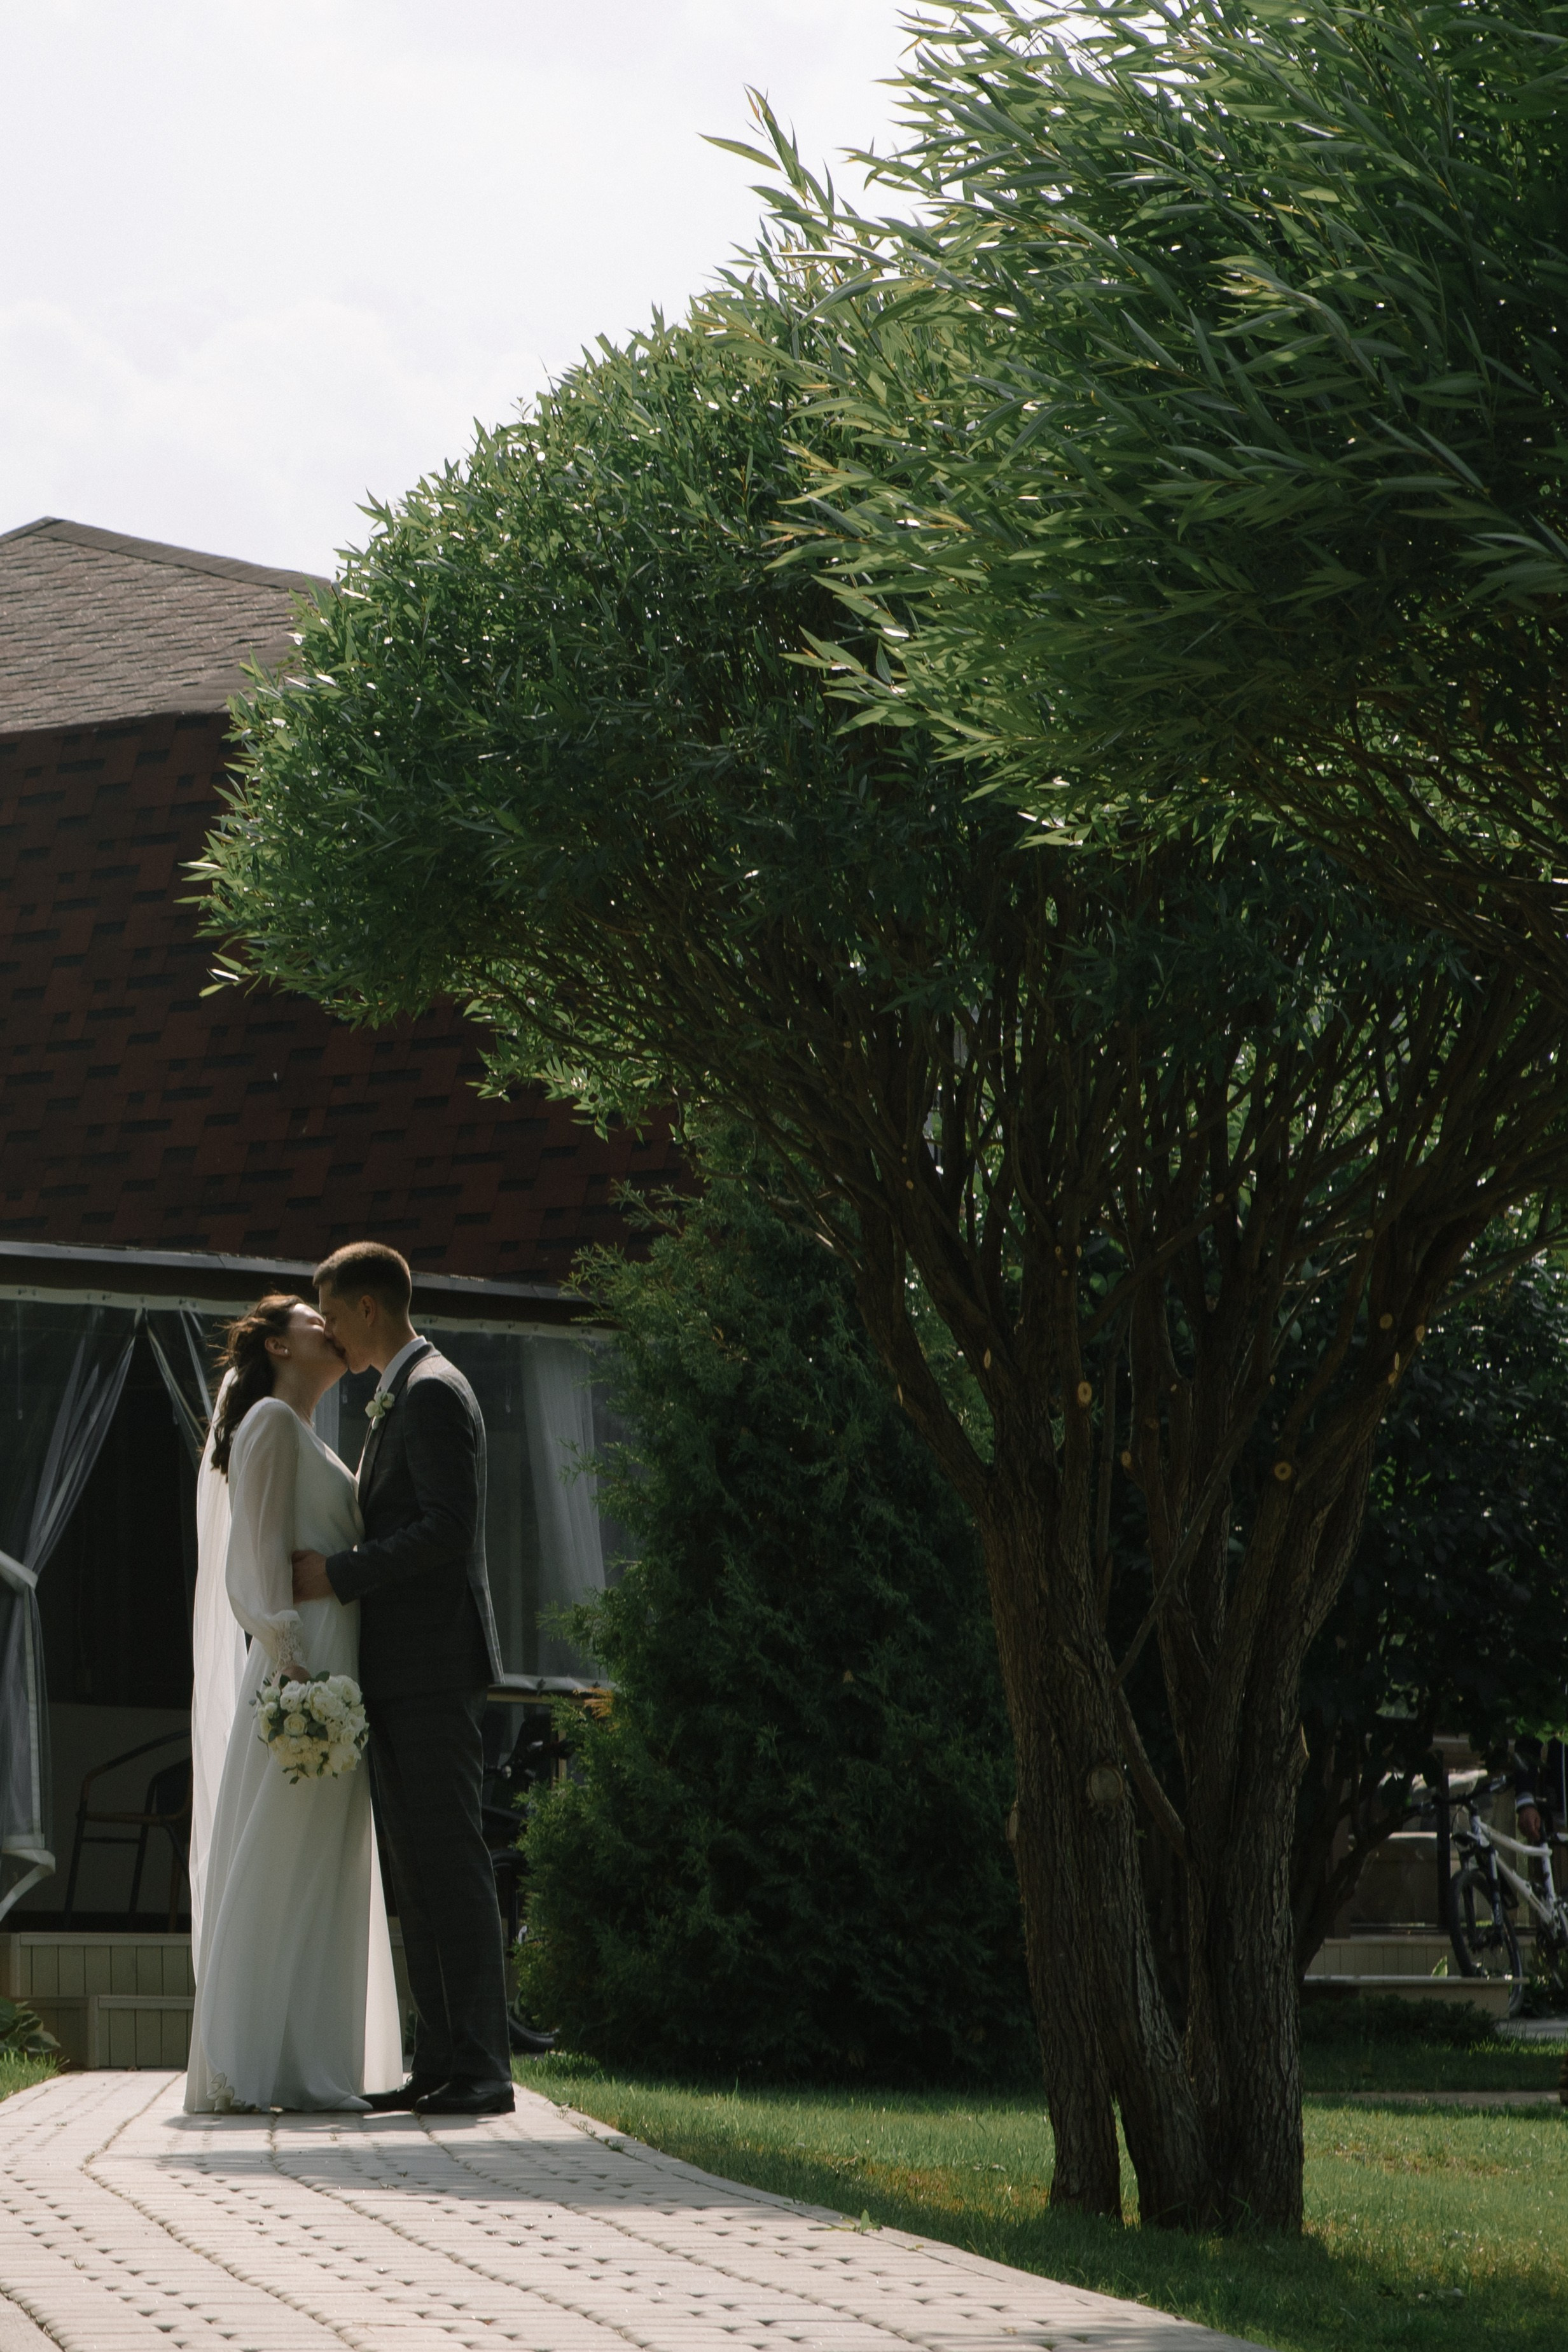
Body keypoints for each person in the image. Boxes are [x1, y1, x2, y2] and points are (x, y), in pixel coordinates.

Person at [290, 1241, 513, 2117]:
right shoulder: (401, 1395)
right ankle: (440, 2061)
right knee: (415, 1870)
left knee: (449, 1863)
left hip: (433, 1666)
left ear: (370, 1309)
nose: (332, 1335)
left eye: (335, 1317)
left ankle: (485, 2069)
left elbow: (445, 1531)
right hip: (400, 1672)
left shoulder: (429, 1393)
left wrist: (339, 1574)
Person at [185, 1295, 403, 2113]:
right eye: (316, 1321)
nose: (331, 1329)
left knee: (323, 1866)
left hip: (332, 1667)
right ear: (277, 1342)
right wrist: (295, 1673)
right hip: (304, 1674)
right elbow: (256, 1559)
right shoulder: (272, 1422)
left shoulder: (306, 1431)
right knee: (281, 1862)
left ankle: (310, 2060)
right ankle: (248, 2060)